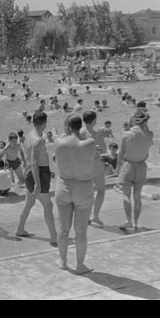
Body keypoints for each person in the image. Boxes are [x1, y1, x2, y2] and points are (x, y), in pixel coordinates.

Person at [54, 114, 96, 274]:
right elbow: (87, 134)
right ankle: (80, 265)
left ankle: (63, 261)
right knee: (80, 231)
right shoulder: (90, 143)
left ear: (68, 126)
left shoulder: (59, 143)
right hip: (83, 187)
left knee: (63, 229)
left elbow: (63, 136)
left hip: (64, 185)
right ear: (81, 126)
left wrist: (66, 130)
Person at [15, 110, 58, 246]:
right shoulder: (38, 140)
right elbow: (34, 163)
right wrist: (38, 185)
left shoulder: (29, 136)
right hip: (37, 174)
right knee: (48, 205)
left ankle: (20, 229)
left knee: (29, 203)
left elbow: (32, 160)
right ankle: (54, 237)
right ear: (44, 123)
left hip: (31, 173)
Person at [117, 110, 154, 231]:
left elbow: (121, 154)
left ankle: (128, 220)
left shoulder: (126, 135)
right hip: (141, 166)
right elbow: (147, 150)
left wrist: (118, 168)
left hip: (128, 166)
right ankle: (136, 222)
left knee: (126, 195)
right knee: (137, 196)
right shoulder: (149, 135)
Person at [80, 111, 106, 226]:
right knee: (100, 190)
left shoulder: (79, 132)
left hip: (82, 165)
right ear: (94, 121)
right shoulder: (96, 134)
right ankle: (95, 215)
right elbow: (104, 151)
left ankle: (84, 216)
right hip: (94, 164)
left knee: (86, 192)